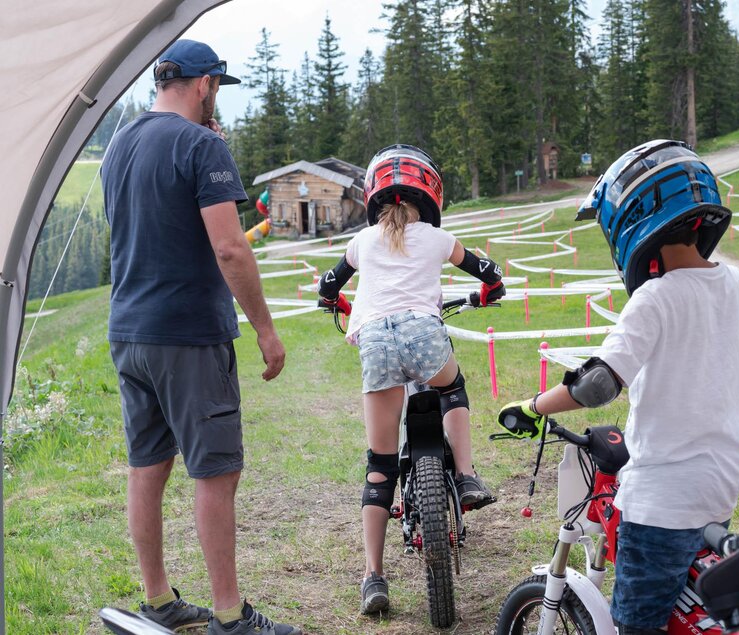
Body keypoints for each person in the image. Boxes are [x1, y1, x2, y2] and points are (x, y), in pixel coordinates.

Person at [497, 140, 739, 635]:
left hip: (661, 498)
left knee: (635, 623)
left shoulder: (656, 297)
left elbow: (596, 385)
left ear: (628, 224)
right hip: (720, 484)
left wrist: (533, 404)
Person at [101, 39, 297, 635]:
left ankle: (158, 600)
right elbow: (230, 245)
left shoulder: (119, 145)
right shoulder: (200, 143)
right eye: (218, 88)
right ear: (205, 83)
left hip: (128, 331)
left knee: (148, 465)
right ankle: (230, 617)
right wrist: (265, 330)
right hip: (186, 334)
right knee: (215, 471)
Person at [316, 144, 506, 615]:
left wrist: (340, 306)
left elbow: (327, 286)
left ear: (374, 197)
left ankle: (373, 578)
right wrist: (491, 290)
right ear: (429, 197)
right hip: (424, 333)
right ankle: (464, 477)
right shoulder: (439, 240)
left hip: (376, 340)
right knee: (452, 388)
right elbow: (488, 272)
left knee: (380, 465)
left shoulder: (360, 243)